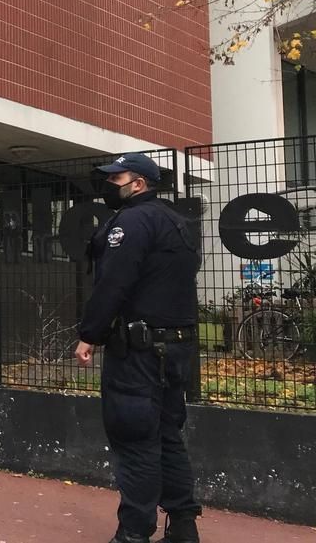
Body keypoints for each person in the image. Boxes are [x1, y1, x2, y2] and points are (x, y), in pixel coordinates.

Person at [74, 153, 202, 543]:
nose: (110, 184)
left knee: (135, 439)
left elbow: (114, 281)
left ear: (139, 184)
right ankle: (183, 526)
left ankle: (133, 533)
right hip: (177, 346)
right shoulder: (177, 222)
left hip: (140, 350)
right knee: (165, 434)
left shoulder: (131, 222)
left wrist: (90, 334)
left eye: (117, 178)